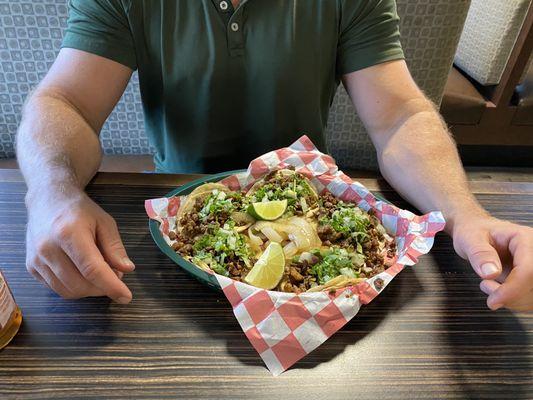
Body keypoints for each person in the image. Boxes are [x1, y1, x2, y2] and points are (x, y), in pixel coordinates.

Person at [16, 0, 533, 311]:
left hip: (318, 229)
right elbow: (67, 103)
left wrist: (467, 216)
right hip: (172, 245)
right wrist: (52, 192)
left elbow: (400, 116)